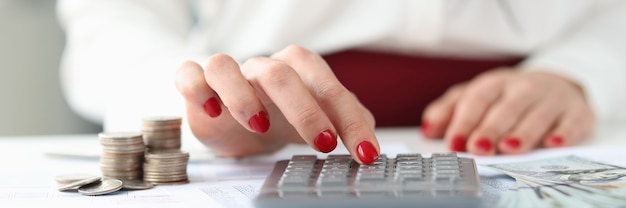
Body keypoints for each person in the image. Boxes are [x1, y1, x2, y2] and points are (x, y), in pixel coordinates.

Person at [57, 0, 626, 164]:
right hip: (261, 133)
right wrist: (204, 99)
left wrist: (581, 73)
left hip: (540, 126)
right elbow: (111, 28)